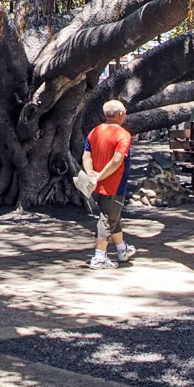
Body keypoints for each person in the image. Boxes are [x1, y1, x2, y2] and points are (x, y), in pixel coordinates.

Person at [84, 100, 134, 268]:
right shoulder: (123, 135)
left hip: (95, 185)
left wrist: (91, 173)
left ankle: (122, 249)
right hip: (114, 184)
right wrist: (100, 176)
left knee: (113, 216)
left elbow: (86, 156)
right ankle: (99, 257)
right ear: (120, 114)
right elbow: (116, 161)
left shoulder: (94, 132)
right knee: (107, 219)